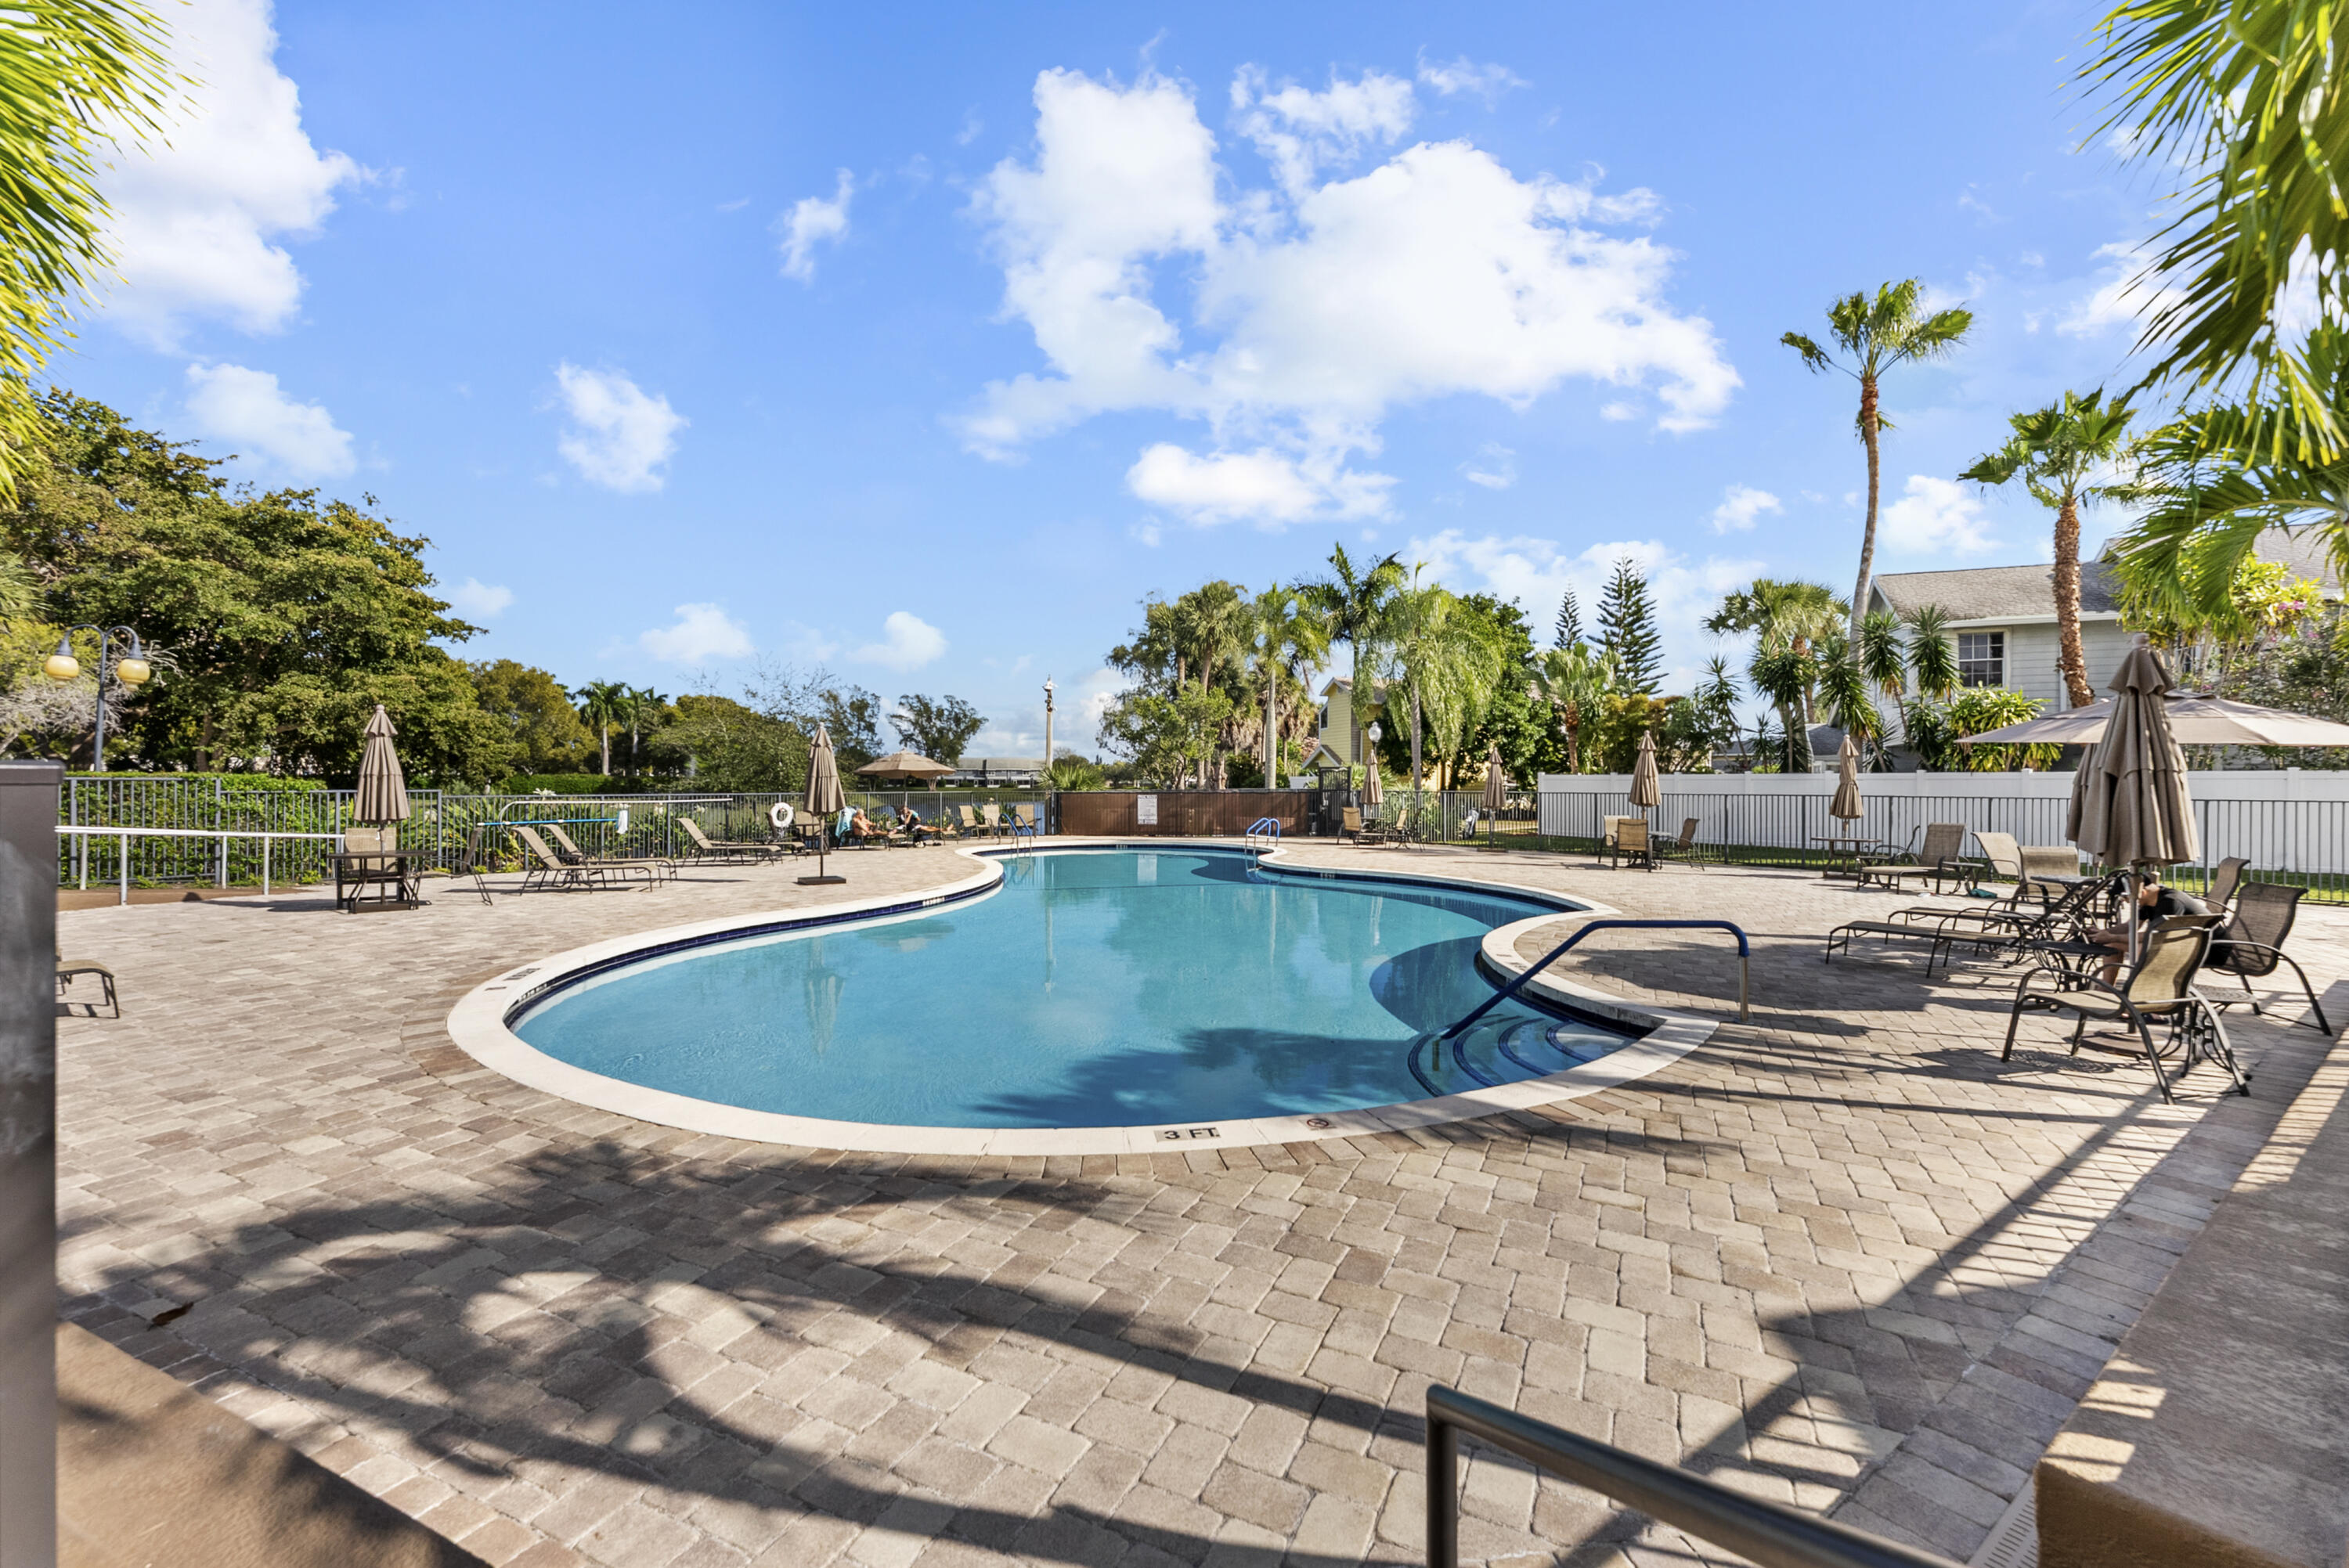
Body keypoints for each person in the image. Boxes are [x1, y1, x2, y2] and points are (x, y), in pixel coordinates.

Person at [2089, 874, 2210, 983]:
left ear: (2141, 892)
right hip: (2185, 944)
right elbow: (2130, 926)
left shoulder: (2171, 902)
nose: (2127, 903)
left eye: (2126, 898)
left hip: (2206, 949)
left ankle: (2144, 987)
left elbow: (2154, 935)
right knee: (2113, 944)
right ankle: (2106, 988)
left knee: (2143, 948)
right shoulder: (2149, 901)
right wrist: (2103, 933)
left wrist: (2113, 937)